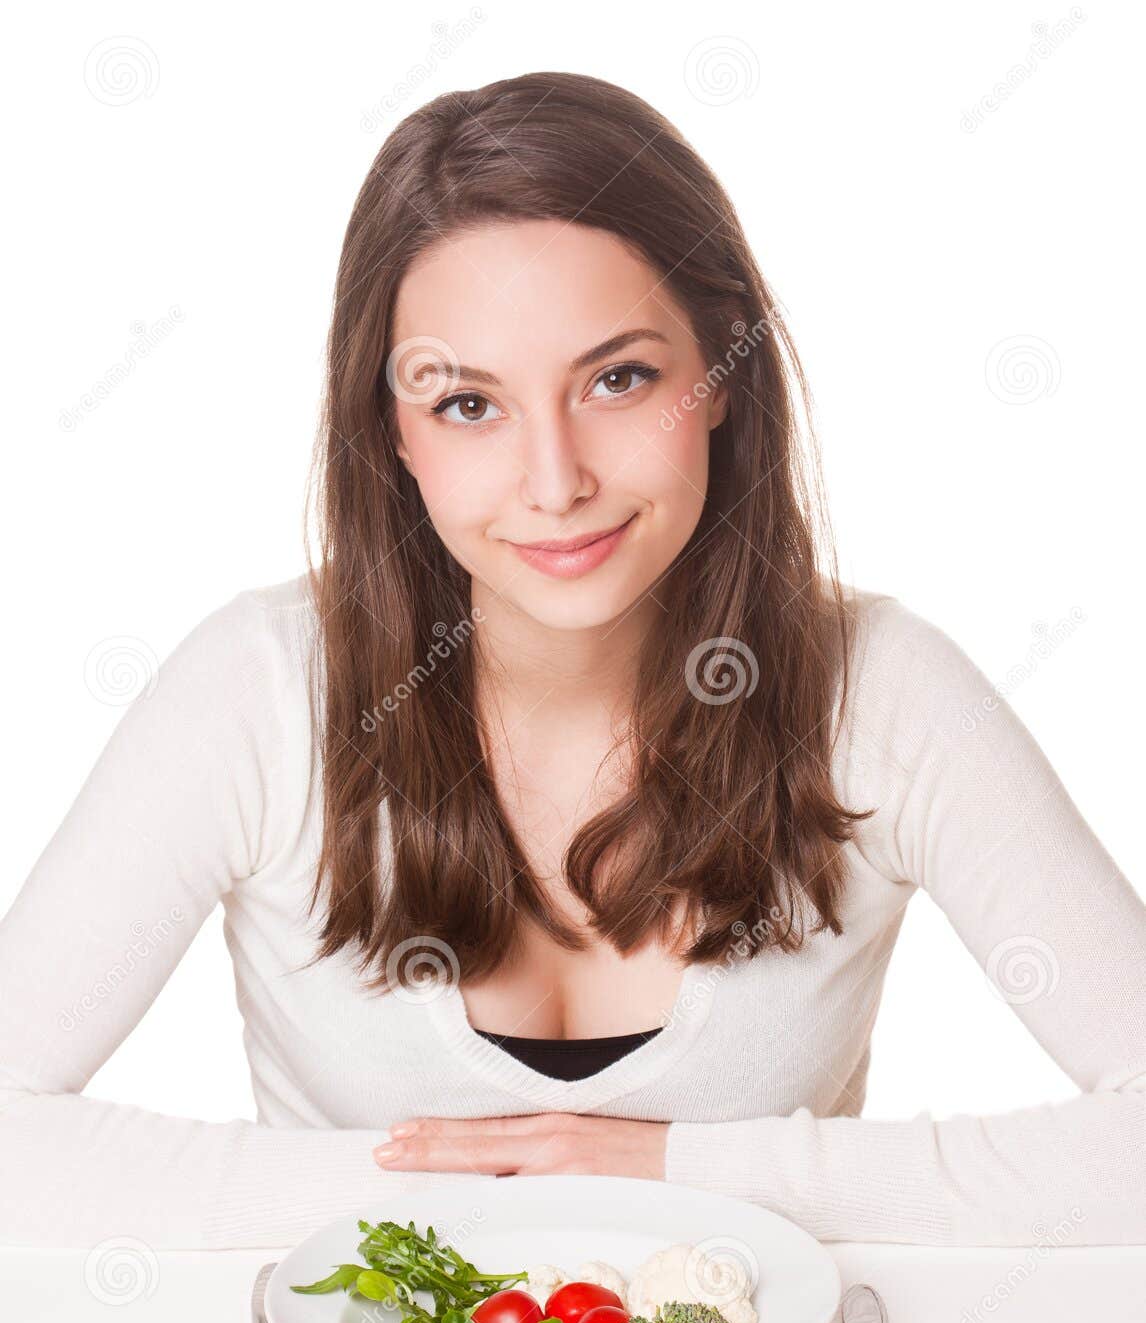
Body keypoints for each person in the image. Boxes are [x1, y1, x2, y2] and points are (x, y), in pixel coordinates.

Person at [1, 71, 1143, 1250]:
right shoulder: (259, 692)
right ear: (390, 432)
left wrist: (696, 1174)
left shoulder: (881, 691)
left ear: (722, 379)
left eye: (618, 379)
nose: (556, 482)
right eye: (466, 404)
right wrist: (438, 1206)